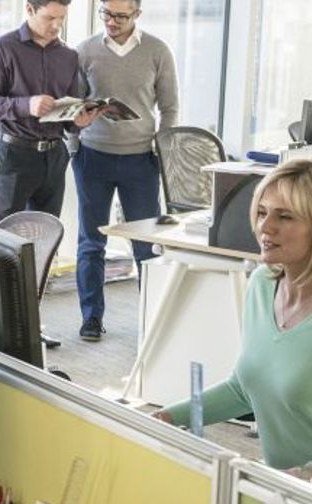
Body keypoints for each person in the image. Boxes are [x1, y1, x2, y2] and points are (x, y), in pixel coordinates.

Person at [154, 160, 312, 488]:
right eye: (261, 212)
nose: (264, 227)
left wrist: (311, 475)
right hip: (285, 490)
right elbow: (244, 388)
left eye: (284, 216)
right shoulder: (261, 284)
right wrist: (168, 417)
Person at [71, 0, 180, 341]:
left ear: (137, 15)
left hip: (140, 160)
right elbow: (73, 106)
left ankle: (152, 319)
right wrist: (75, 148)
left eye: (120, 15)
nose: (112, 21)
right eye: (106, 13)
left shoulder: (157, 51)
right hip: (93, 157)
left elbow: (170, 107)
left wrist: (161, 151)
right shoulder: (85, 51)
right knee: (91, 242)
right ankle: (91, 319)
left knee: (146, 246)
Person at [0, 0, 101, 222]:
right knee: (8, 238)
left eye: (62, 18)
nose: (56, 26)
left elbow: (69, 114)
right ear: (29, 9)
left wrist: (78, 122)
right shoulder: (3, 48)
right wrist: (27, 105)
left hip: (54, 156)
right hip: (15, 154)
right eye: (50, 18)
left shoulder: (68, 56)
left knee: (47, 235)